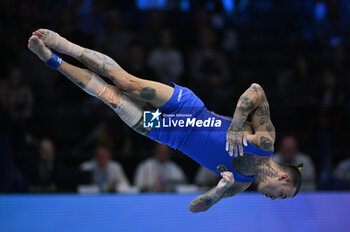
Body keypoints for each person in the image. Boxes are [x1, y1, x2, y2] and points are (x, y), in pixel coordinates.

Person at [28, 29, 302, 212]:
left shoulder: (239, 183)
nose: (275, 199)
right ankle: (64, 44)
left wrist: (215, 193)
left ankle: (51, 59)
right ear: (282, 176)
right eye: (283, 194)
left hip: (167, 132)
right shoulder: (264, 142)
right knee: (126, 83)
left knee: (110, 97)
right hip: (189, 110)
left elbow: (195, 208)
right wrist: (236, 124)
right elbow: (256, 90)